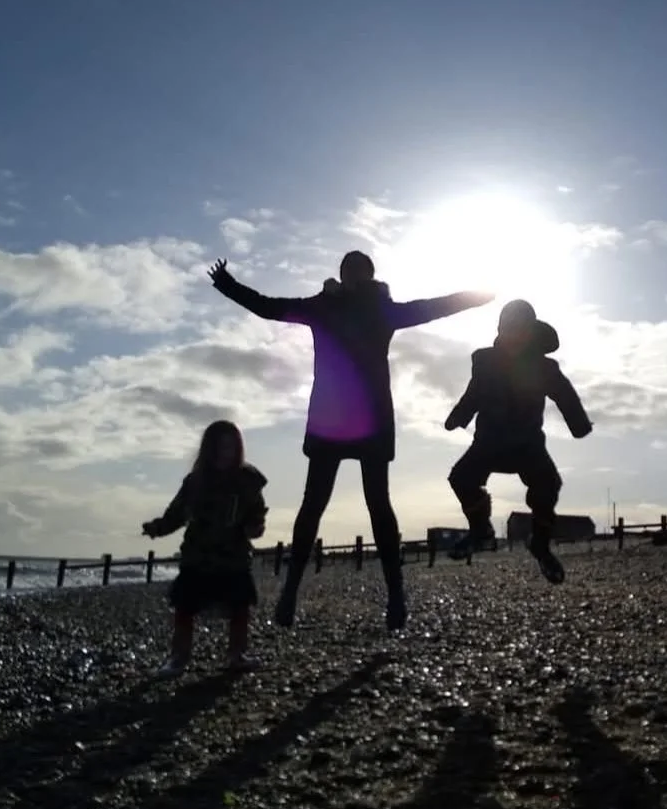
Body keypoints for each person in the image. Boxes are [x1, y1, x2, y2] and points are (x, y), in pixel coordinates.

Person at [208, 250, 493, 631]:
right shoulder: (327, 307)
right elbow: (269, 307)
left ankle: (394, 596)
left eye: (359, 272)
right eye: (350, 272)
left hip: (363, 421)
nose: (354, 277)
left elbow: (434, 307)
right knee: (317, 505)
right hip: (338, 420)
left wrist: (480, 294)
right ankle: (292, 593)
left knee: (373, 504)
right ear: (343, 276)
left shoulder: (369, 309)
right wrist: (228, 286)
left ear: (367, 276)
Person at [443, 299, 593, 584]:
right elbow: (473, 394)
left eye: (519, 330)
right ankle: (481, 531)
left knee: (548, 485)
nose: (512, 336)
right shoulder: (484, 362)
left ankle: (541, 544)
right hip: (489, 441)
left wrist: (579, 425)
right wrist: (458, 417)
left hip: (528, 445)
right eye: (506, 329)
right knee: (461, 478)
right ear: (499, 331)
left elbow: (565, 395)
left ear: (530, 333)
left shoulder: (544, 368)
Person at [142, 419, 268, 677]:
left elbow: (257, 514)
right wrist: (157, 528)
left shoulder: (248, 480)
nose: (226, 453)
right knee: (185, 607)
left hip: (233, 556)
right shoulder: (195, 481)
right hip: (198, 555)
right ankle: (179, 657)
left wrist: (254, 527)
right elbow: (176, 514)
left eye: (231, 447)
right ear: (209, 449)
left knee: (239, 606)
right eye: (220, 447)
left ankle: (237, 654)